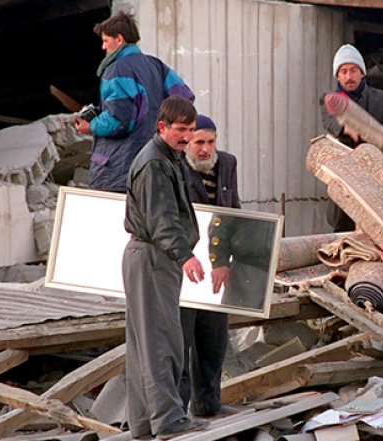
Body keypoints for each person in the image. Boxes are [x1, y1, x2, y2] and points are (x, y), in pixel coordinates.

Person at [122, 96, 207, 440]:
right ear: (162, 128)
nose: (187, 137)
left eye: (191, 130)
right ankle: (168, 420)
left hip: (151, 257)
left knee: (145, 342)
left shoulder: (166, 158)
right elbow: (162, 220)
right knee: (162, 341)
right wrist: (184, 255)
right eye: (181, 130)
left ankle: (144, 423)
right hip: (154, 257)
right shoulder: (156, 164)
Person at [76, 11, 194, 193]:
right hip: (156, 163)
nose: (103, 47)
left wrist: (90, 126)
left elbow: (118, 120)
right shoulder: (156, 65)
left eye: (106, 41)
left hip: (118, 171)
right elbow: (184, 100)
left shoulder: (116, 70)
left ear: (120, 39)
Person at [178, 114, 241, 418]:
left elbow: (233, 215)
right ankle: (176, 411)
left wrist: (226, 260)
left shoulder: (227, 164)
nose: (205, 149)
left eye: (210, 142)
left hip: (216, 267)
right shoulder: (175, 167)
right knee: (182, 341)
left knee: (214, 340)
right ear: (187, 142)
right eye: (198, 142)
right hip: (184, 266)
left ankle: (208, 405)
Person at [319, 43, 383, 231]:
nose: (348, 76)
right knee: (342, 234)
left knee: (377, 231)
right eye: (343, 72)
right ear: (338, 76)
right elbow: (331, 124)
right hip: (345, 179)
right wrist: (346, 129)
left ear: (362, 73)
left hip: (373, 177)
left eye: (352, 70)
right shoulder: (330, 100)